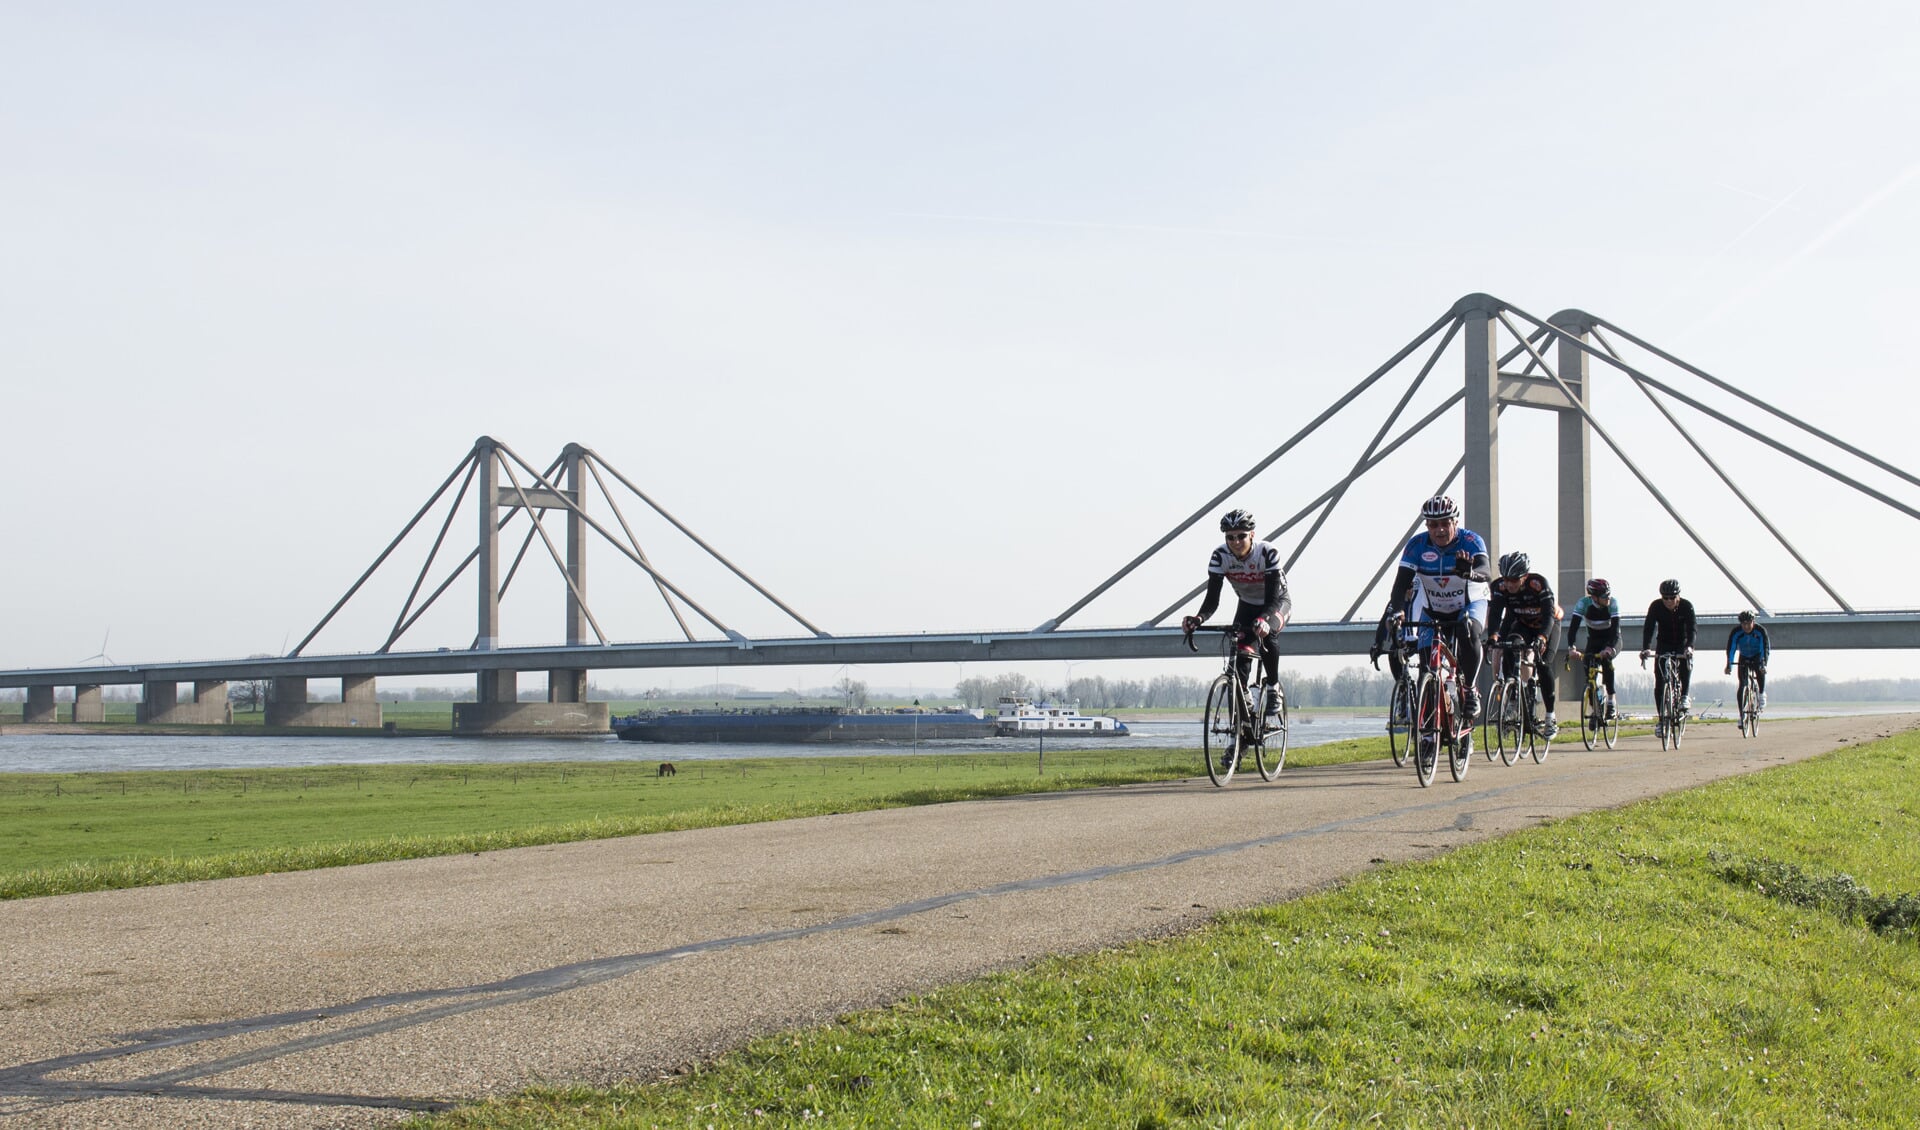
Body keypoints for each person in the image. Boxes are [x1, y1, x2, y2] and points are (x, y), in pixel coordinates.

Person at [1385, 495, 1490, 765]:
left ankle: (1469, 690)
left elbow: (1486, 571)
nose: (1439, 530)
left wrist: (1470, 573)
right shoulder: (1417, 546)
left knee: (1468, 630)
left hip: (1469, 603)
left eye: (1445, 523)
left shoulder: (1470, 541)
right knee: (1426, 669)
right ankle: (1429, 737)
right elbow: (1400, 586)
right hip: (1435, 610)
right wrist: (1397, 611)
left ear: (1455, 522)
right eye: (1433, 525)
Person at [1182, 508, 1292, 729]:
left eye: (1241, 535)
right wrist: (1198, 619)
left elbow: (1272, 599)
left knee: (1267, 634)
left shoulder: (1267, 553)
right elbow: (1212, 600)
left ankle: (1273, 687)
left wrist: (1263, 621)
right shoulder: (1220, 556)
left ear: (1252, 534)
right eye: (1230, 537)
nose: (1235, 541)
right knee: (1239, 657)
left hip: (1276, 603)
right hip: (1248, 605)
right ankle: (1241, 732)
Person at [1486, 550, 1560, 739]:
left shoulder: (1538, 584)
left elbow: (1549, 616)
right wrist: (1494, 636)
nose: (1509, 584)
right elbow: (1495, 613)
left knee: (1544, 664)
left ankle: (1551, 717)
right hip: (1524, 624)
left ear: (1524, 577)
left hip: (1546, 625)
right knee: (1510, 645)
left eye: (1514, 580)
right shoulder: (1500, 587)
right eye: (1506, 579)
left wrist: (1543, 637)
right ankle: (1513, 698)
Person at [1638, 578, 1697, 738]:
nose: (1669, 601)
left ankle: (1684, 695)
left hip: (1681, 642)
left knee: (1685, 662)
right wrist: (1646, 648)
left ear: (1678, 596)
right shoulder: (1656, 606)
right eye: (1665, 598)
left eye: (1672, 598)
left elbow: (1692, 629)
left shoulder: (1686, 606)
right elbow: (1648, 628)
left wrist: (1689, 647)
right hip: (1663, 643)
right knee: (1659, 682)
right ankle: (1662, 719)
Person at [1565, 577, 1622, 726]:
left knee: (1606, 660)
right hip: (1594, 640)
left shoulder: (1613, 604)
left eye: (1609, 594)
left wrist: (1609, 648)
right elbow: (1573, 629)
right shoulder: (1583, 604)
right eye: (1604, 596)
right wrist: (1572, 647)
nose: (1608, 598)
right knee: (1589, 674)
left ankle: (1611, 700)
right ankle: (1595, 709)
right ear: (1594, 597)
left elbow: (1615, 631)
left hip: (1612, 639)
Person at [1725, 610, 1771, 718]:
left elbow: (1764, 648)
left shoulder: (1760, 631)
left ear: (1753, 622)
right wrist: (1729, 665)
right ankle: (1742, 715)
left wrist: (1764, 663)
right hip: (1744, 656)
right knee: (1742, 684)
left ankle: (1761, 693)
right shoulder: (1736, 632)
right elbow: (1731, 649)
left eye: (1748, 623)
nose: (1746, 627)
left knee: (1760, 670)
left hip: (1757, 655)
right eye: (1743, 624)